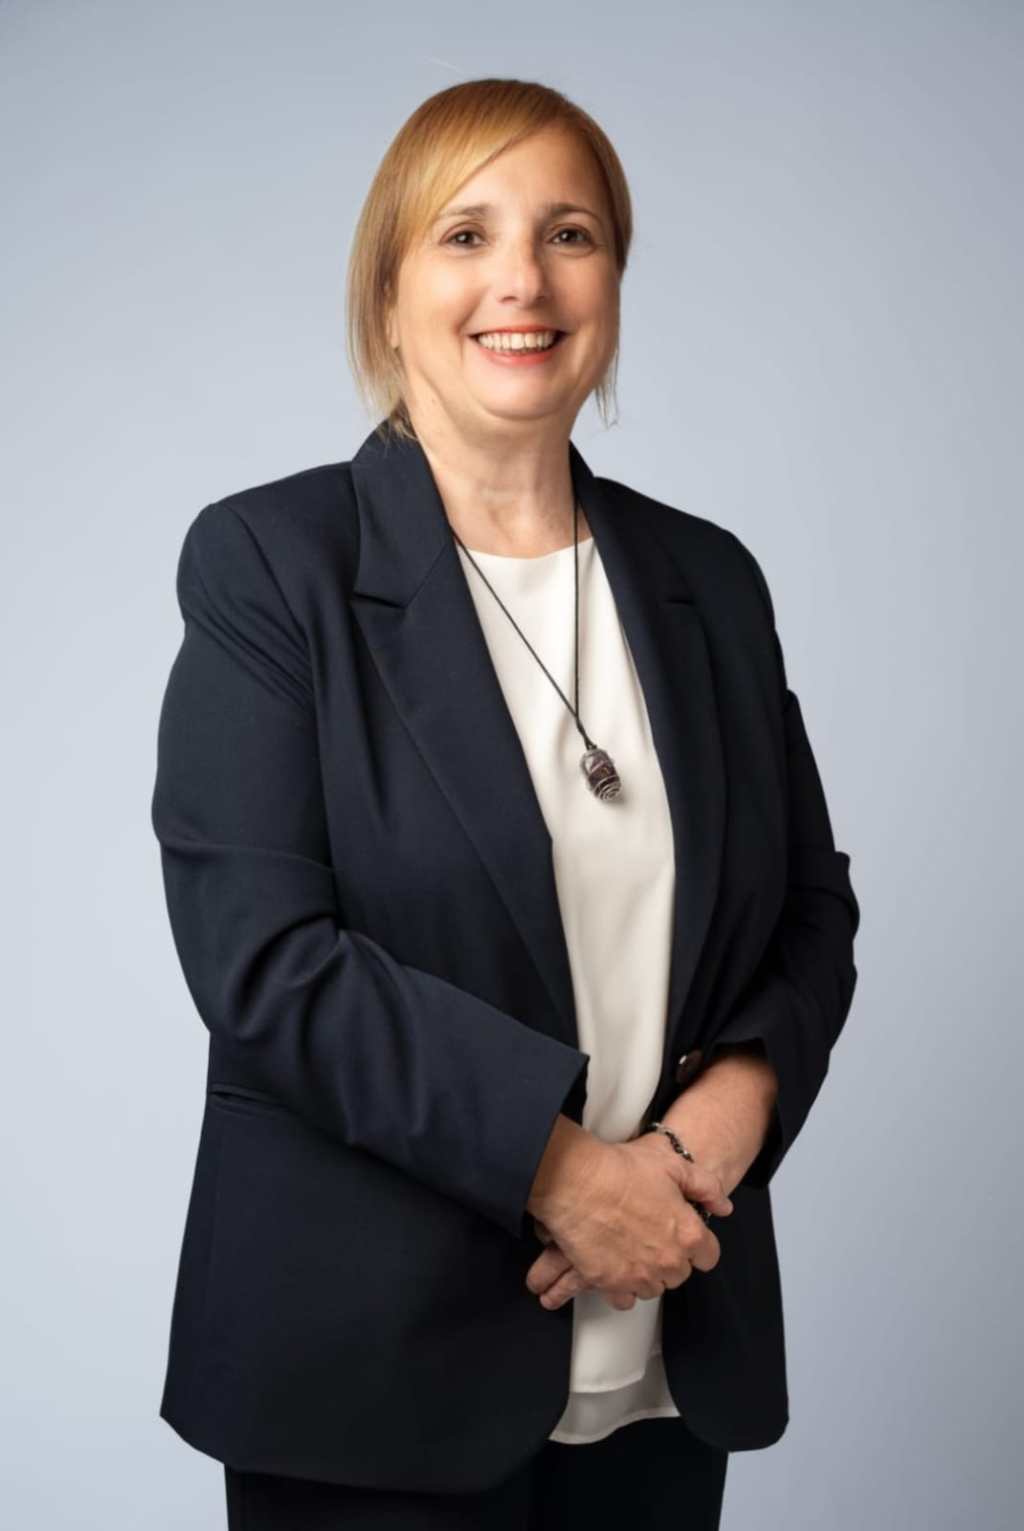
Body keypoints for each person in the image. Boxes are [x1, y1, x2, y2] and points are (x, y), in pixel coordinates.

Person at [151, 77, 860, 1531]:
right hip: (369, 1383)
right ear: (389, 292)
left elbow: (810, 909)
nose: (523, 280)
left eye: (570, 234)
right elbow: (265, 962)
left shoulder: (710, 580)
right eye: (466, 235)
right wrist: (563, 1174)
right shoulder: (271, 564)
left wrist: (725, 1119)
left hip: (665, 1342)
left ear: (612, 282)